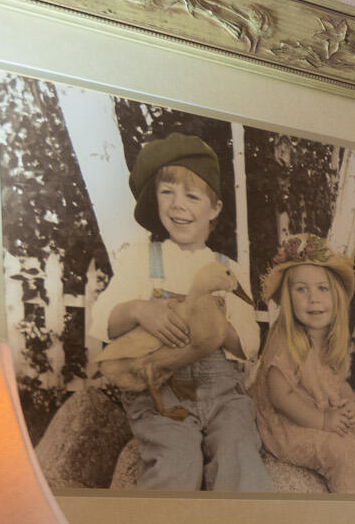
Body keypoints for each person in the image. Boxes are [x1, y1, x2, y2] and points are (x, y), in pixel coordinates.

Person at [86, 133, 270, 491]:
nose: (178, 205)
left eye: (192, 195)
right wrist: (140, 310)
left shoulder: (226, 266)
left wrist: (216, 326)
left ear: (214, 208)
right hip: (160, 388)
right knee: (177, 459)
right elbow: (103, 319)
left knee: (238, 450)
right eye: (167, 192)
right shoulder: (143, 257)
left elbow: (249, 342)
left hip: (221, 392)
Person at [250, 234, 355, 495]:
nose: (313, 298)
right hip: (287, 424)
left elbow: (338, 381)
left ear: (336, 296)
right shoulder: (286, 338)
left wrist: (349, 402)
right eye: (301, 289)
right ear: (288, 298)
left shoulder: (329, 337)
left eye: (322, 288)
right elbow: (280, 397)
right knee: (341, 449)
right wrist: (322, 421)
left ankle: (352, 472)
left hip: (317, 408)